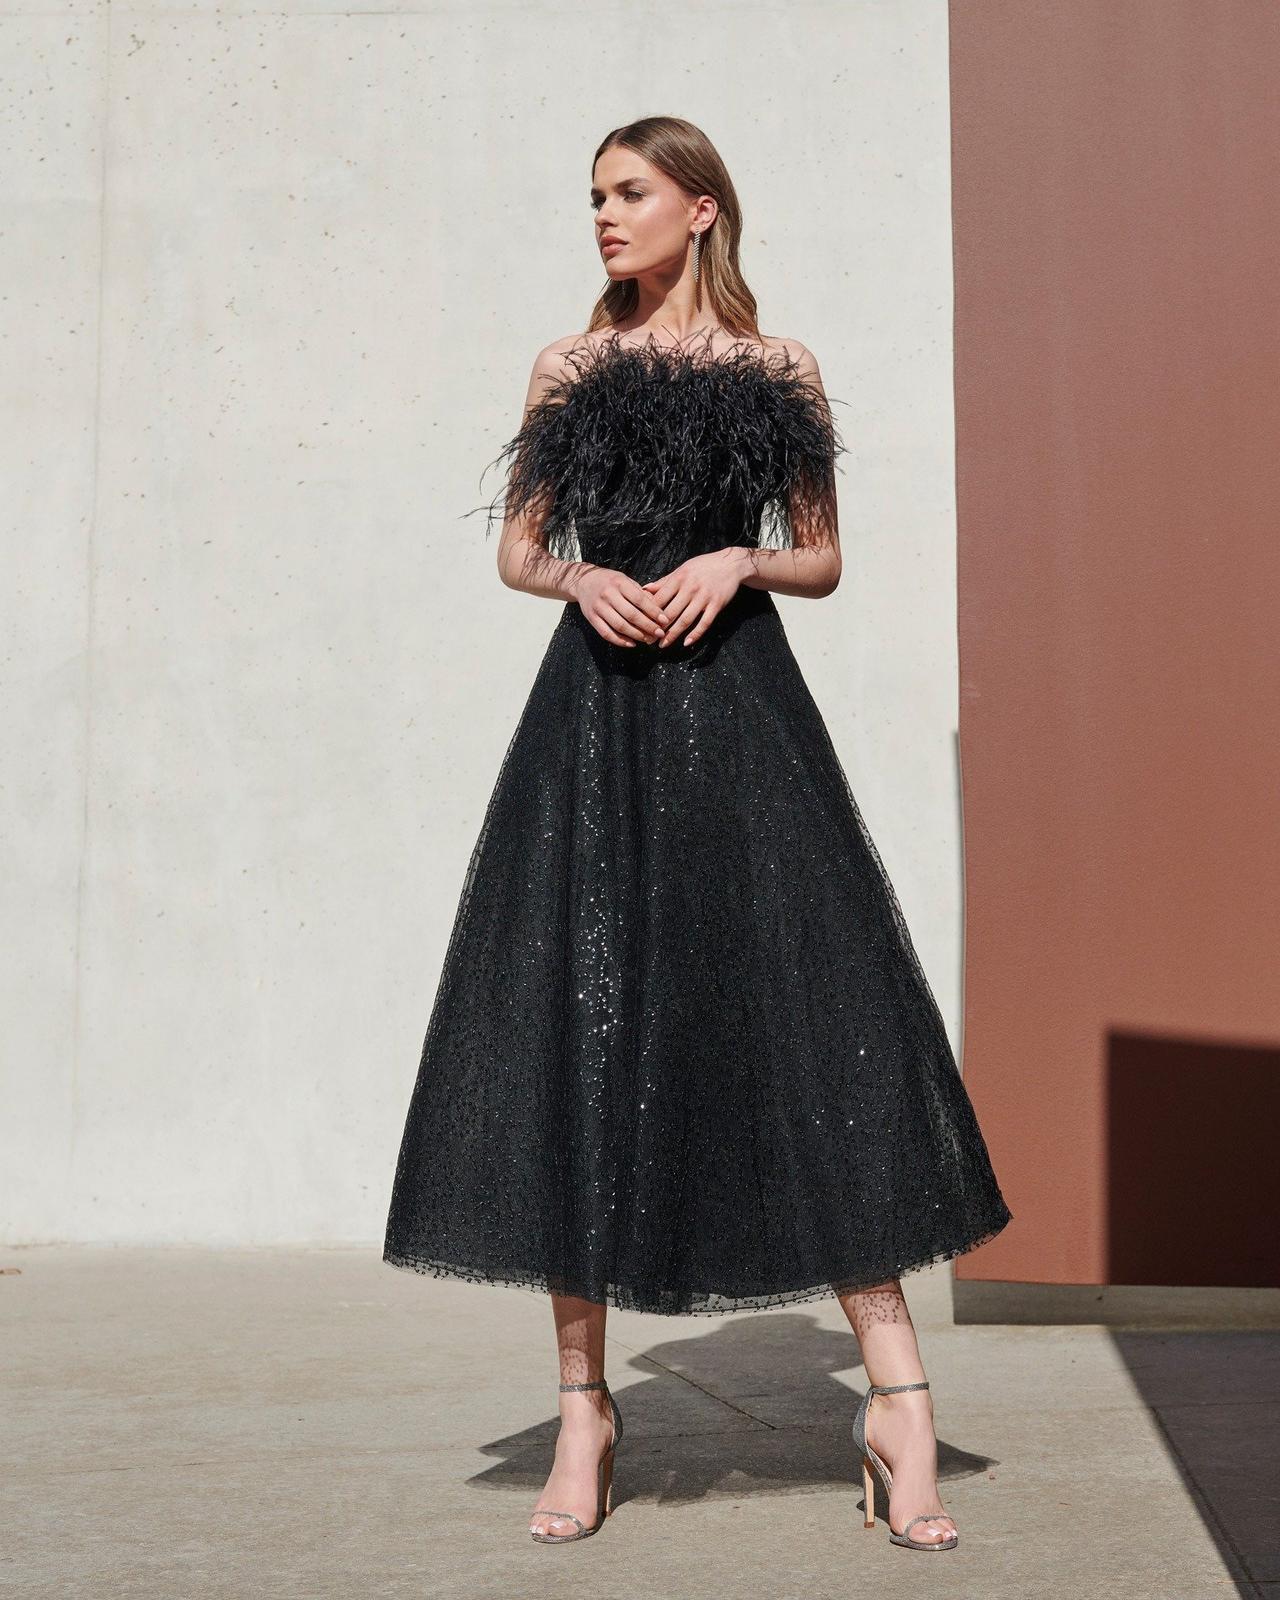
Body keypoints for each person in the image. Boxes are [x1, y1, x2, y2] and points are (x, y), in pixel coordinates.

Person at [383, 115, 1012, 1551]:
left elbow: (826, 559)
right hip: (596, 729)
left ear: (704, 213)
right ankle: (587, 1408)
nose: (604, 216)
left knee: (809, 1022)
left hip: (741, 722)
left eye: (630, 193)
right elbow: (517, 550)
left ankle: (896, 1398)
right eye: (594, 196)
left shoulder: (778, 370)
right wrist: (581, 578)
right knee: (583, 1036)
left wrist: (741, 557)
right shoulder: (570, 366)